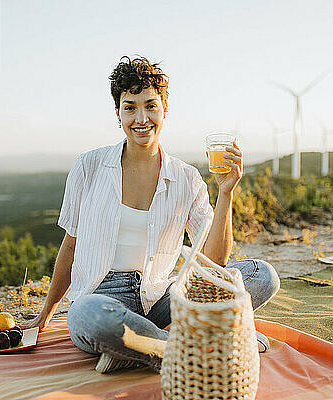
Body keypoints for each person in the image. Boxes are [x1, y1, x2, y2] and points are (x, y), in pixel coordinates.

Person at [20, 56, 280, 373]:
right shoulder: (88, 167)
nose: (141, 118)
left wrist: (226, 193)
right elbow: (71, 245)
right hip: (99, 298)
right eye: (130, 107)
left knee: (260, 274)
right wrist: (45, 315)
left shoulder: (186, 179)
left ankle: (137, 348)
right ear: (117, 113)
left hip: (157, 299)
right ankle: (199, 345)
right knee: (88, 315)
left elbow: (214, 262)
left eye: (150, 106)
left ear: (164, 109)